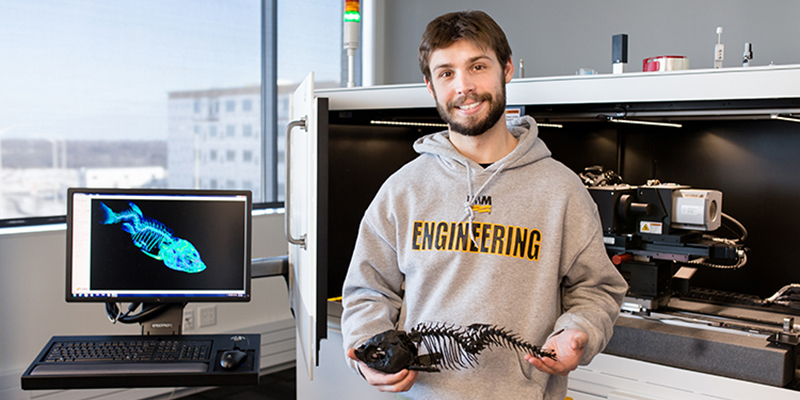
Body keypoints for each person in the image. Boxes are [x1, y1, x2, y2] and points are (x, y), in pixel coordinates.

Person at [340, 10, 628, 400]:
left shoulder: (561, 189)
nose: (464, 86)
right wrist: (365, 352)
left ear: (506, 69)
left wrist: (579, 330)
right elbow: (367, 291)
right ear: (430, 86)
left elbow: (597, 289)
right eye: (446, 73)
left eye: (477, 66)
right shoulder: (402, 189)